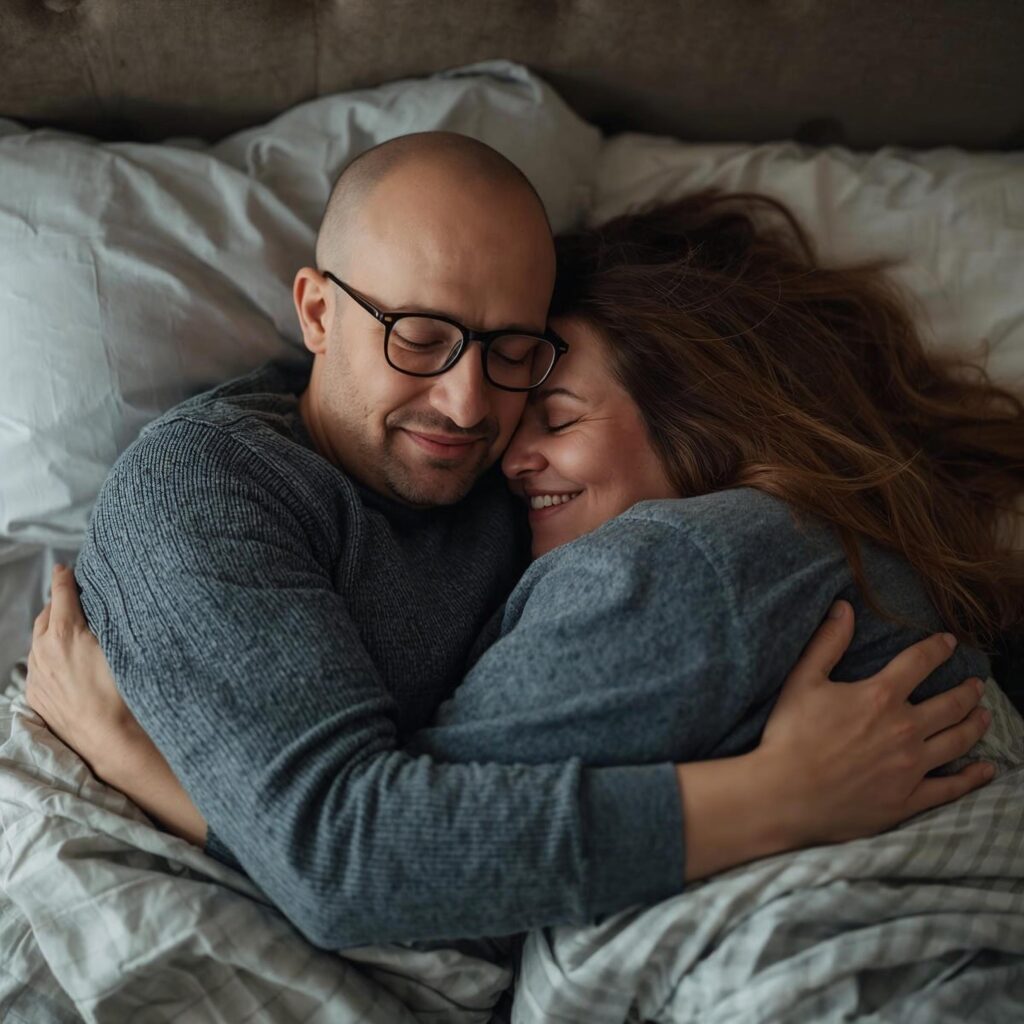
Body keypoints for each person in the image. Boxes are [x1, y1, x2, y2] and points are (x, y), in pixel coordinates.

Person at [23, 144, 994, 949]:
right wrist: (775, 796)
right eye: (417, 334)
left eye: (511, 349)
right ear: (317, 312)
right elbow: (342, 863)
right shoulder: (205, 493)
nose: (469, 403)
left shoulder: (517, 479)